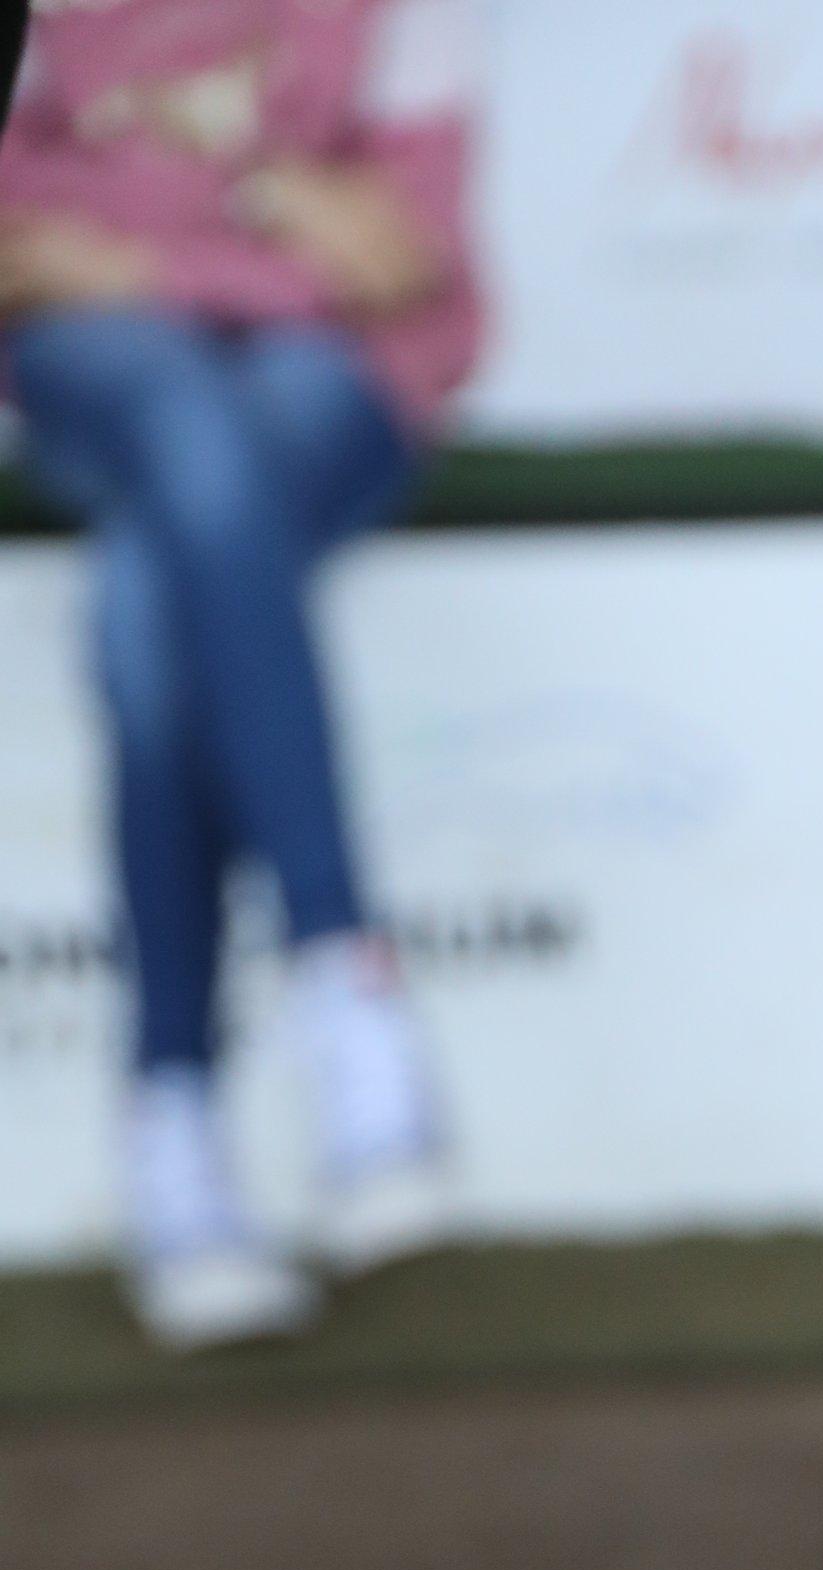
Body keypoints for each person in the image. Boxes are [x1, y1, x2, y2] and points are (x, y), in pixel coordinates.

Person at [0, 0, 481, 1348]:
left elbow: (404, 261)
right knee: (186, 426)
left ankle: (174, 1120)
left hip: (323, 380)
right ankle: (343, 980)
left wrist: (140, 239)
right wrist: (269, 213)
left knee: (151, 598)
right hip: (127, 368)